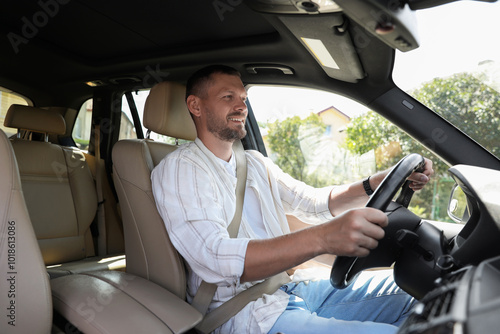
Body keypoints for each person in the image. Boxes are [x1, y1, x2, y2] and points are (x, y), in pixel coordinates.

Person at [151, 65, 434, 334]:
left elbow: (312, 203)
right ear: (195, 106)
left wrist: (373, 184)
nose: (241, 107)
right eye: (228, 97)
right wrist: (322, 238)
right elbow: (213, 258)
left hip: (289, 290)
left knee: (425, 291)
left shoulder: (252, 162)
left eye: (243, 98)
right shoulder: (181, 168)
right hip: (243, 315)